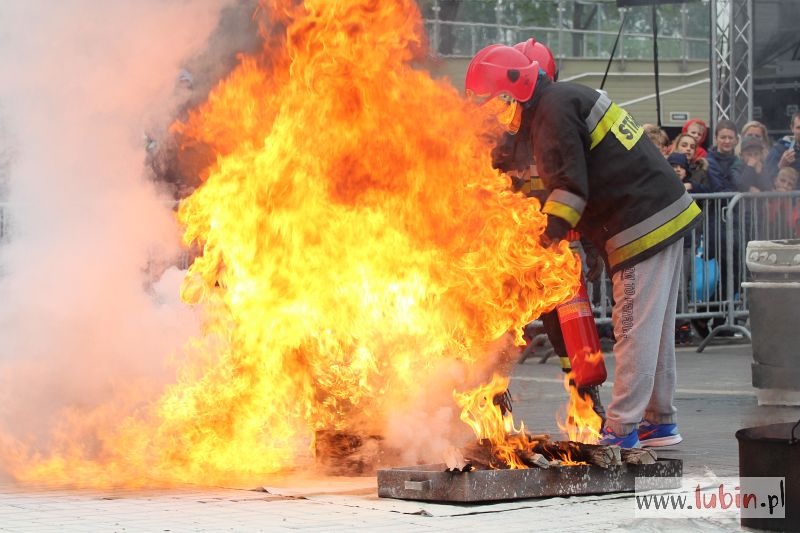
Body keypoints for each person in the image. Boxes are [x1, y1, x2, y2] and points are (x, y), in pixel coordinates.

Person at [466, 44, 700, 448]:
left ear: (510, 93)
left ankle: (622, 429)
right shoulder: (559, 101)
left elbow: (570, 191)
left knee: (632, 327)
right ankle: (659, 422)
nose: (497, 118)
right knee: (654, 329)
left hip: (639, 221)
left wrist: (544, 240)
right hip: (660, 212)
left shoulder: (552, 113)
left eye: (495, 107)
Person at [491, 37, 606, 421]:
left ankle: (586, 401)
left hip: (560, 252)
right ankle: (491, 402)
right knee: (498, 327)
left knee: (571, 334)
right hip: (512, 251)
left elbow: (580, 190)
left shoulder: (557, 123)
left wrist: (589, 247)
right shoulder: (499, 138)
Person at [706, 119, 744, 192]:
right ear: (716, 139)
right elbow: (718, 189)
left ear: (736, 140)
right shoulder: (709, 162)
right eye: (723, 137)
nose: (727, 141)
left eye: (730, 138)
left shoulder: (739, 161)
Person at [765, 112, 800, 185]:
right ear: (792, 128)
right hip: (789, 196)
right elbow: (765, 181)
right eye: (798, 128)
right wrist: (781, 165)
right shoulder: (779, 149)